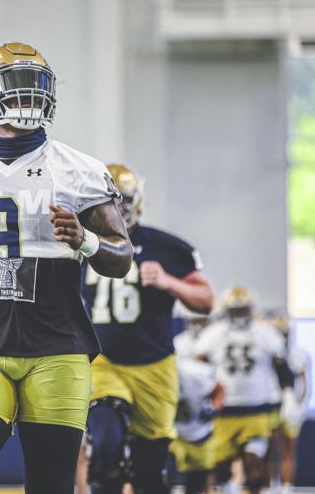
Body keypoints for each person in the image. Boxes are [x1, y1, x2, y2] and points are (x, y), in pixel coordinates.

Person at [0, 42, 133, 494]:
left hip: (57, 346)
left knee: (51, 487)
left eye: (36, 84)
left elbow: (122, 254)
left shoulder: (80, 171)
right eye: (15, 84)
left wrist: (86, 240)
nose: (28, 95)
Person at [80, 164, 214, 493]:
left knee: (150, 474)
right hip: (103, 362)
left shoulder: (165, 246)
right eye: (105, 200)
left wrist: (169, 283)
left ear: (135, 200)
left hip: (155, 366)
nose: (114, 209)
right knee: (106, 449)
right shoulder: (78, 244)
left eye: (120, 200)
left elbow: (206, 300)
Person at [195, 287, 298, 494]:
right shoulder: (213, 334)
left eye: (242, 310)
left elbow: (282, 368)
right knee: (220, 469)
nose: (239, 315)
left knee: (254, 465)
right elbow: (199, 369)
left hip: (256, 411)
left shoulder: (265, 333)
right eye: (235, 310)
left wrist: (288, 397)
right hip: (223, 412)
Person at [267, 314, 310, 494]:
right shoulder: (267, 354)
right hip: (272, 403)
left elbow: (304, 384)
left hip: (290, 405)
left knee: (288, 449)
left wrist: (299, 406)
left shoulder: (297, 355)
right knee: (269, 449)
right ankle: (271, 485)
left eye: (284, 333)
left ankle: (286, 487)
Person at [171, 356, 224, 494]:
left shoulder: (194, 372)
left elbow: (219, 388)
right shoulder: (152, 377)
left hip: (198, 434)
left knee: (197, 484)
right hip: (171, 436)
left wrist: (213, 407)